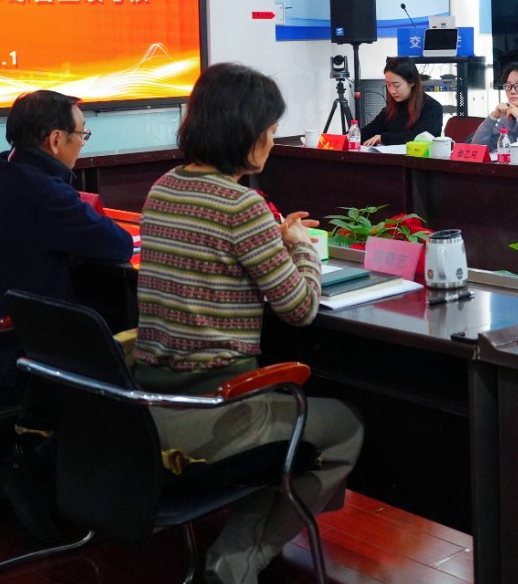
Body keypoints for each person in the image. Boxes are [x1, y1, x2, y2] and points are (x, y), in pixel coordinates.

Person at [135, 63, 363, 584]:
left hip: (152, 401)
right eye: (271, 129)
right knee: (346, 426)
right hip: (218, 407)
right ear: (246, 132)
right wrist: (301, 249)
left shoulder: (163, 187)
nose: (273, 141)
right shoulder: (242, 204)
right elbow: (300, 308)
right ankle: (238, 559)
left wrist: (272, 243)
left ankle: (241, 537)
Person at [0, 91, 134, 406]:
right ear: (56, 139)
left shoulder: (4, 168)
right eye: (82, 134)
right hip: (3, 357)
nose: (83, 143)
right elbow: (120, 245)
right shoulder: (43, 191)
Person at [359, 57, 443, 146]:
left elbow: (418, 138)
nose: (392, 91)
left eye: (396, 85)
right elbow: (368, 132)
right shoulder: (391, 109)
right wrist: (352, 136)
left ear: (412, 82)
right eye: (388, 85)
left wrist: (383, 139)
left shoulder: (432, 108)